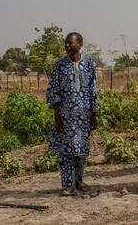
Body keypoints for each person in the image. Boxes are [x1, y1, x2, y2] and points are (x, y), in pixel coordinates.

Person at [47, 32, 98, 196]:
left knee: (81, 150)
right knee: (66, 151)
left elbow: (93, 89)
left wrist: (94, 114)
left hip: (84, 116)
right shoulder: (59, 65)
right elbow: (53, 90)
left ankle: (79, 180)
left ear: (79, 44)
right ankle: (67, 185)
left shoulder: (89, 64)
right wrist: (57, 117)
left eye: (70, 43)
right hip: (66, 117)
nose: (67, 46)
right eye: (66, 43)